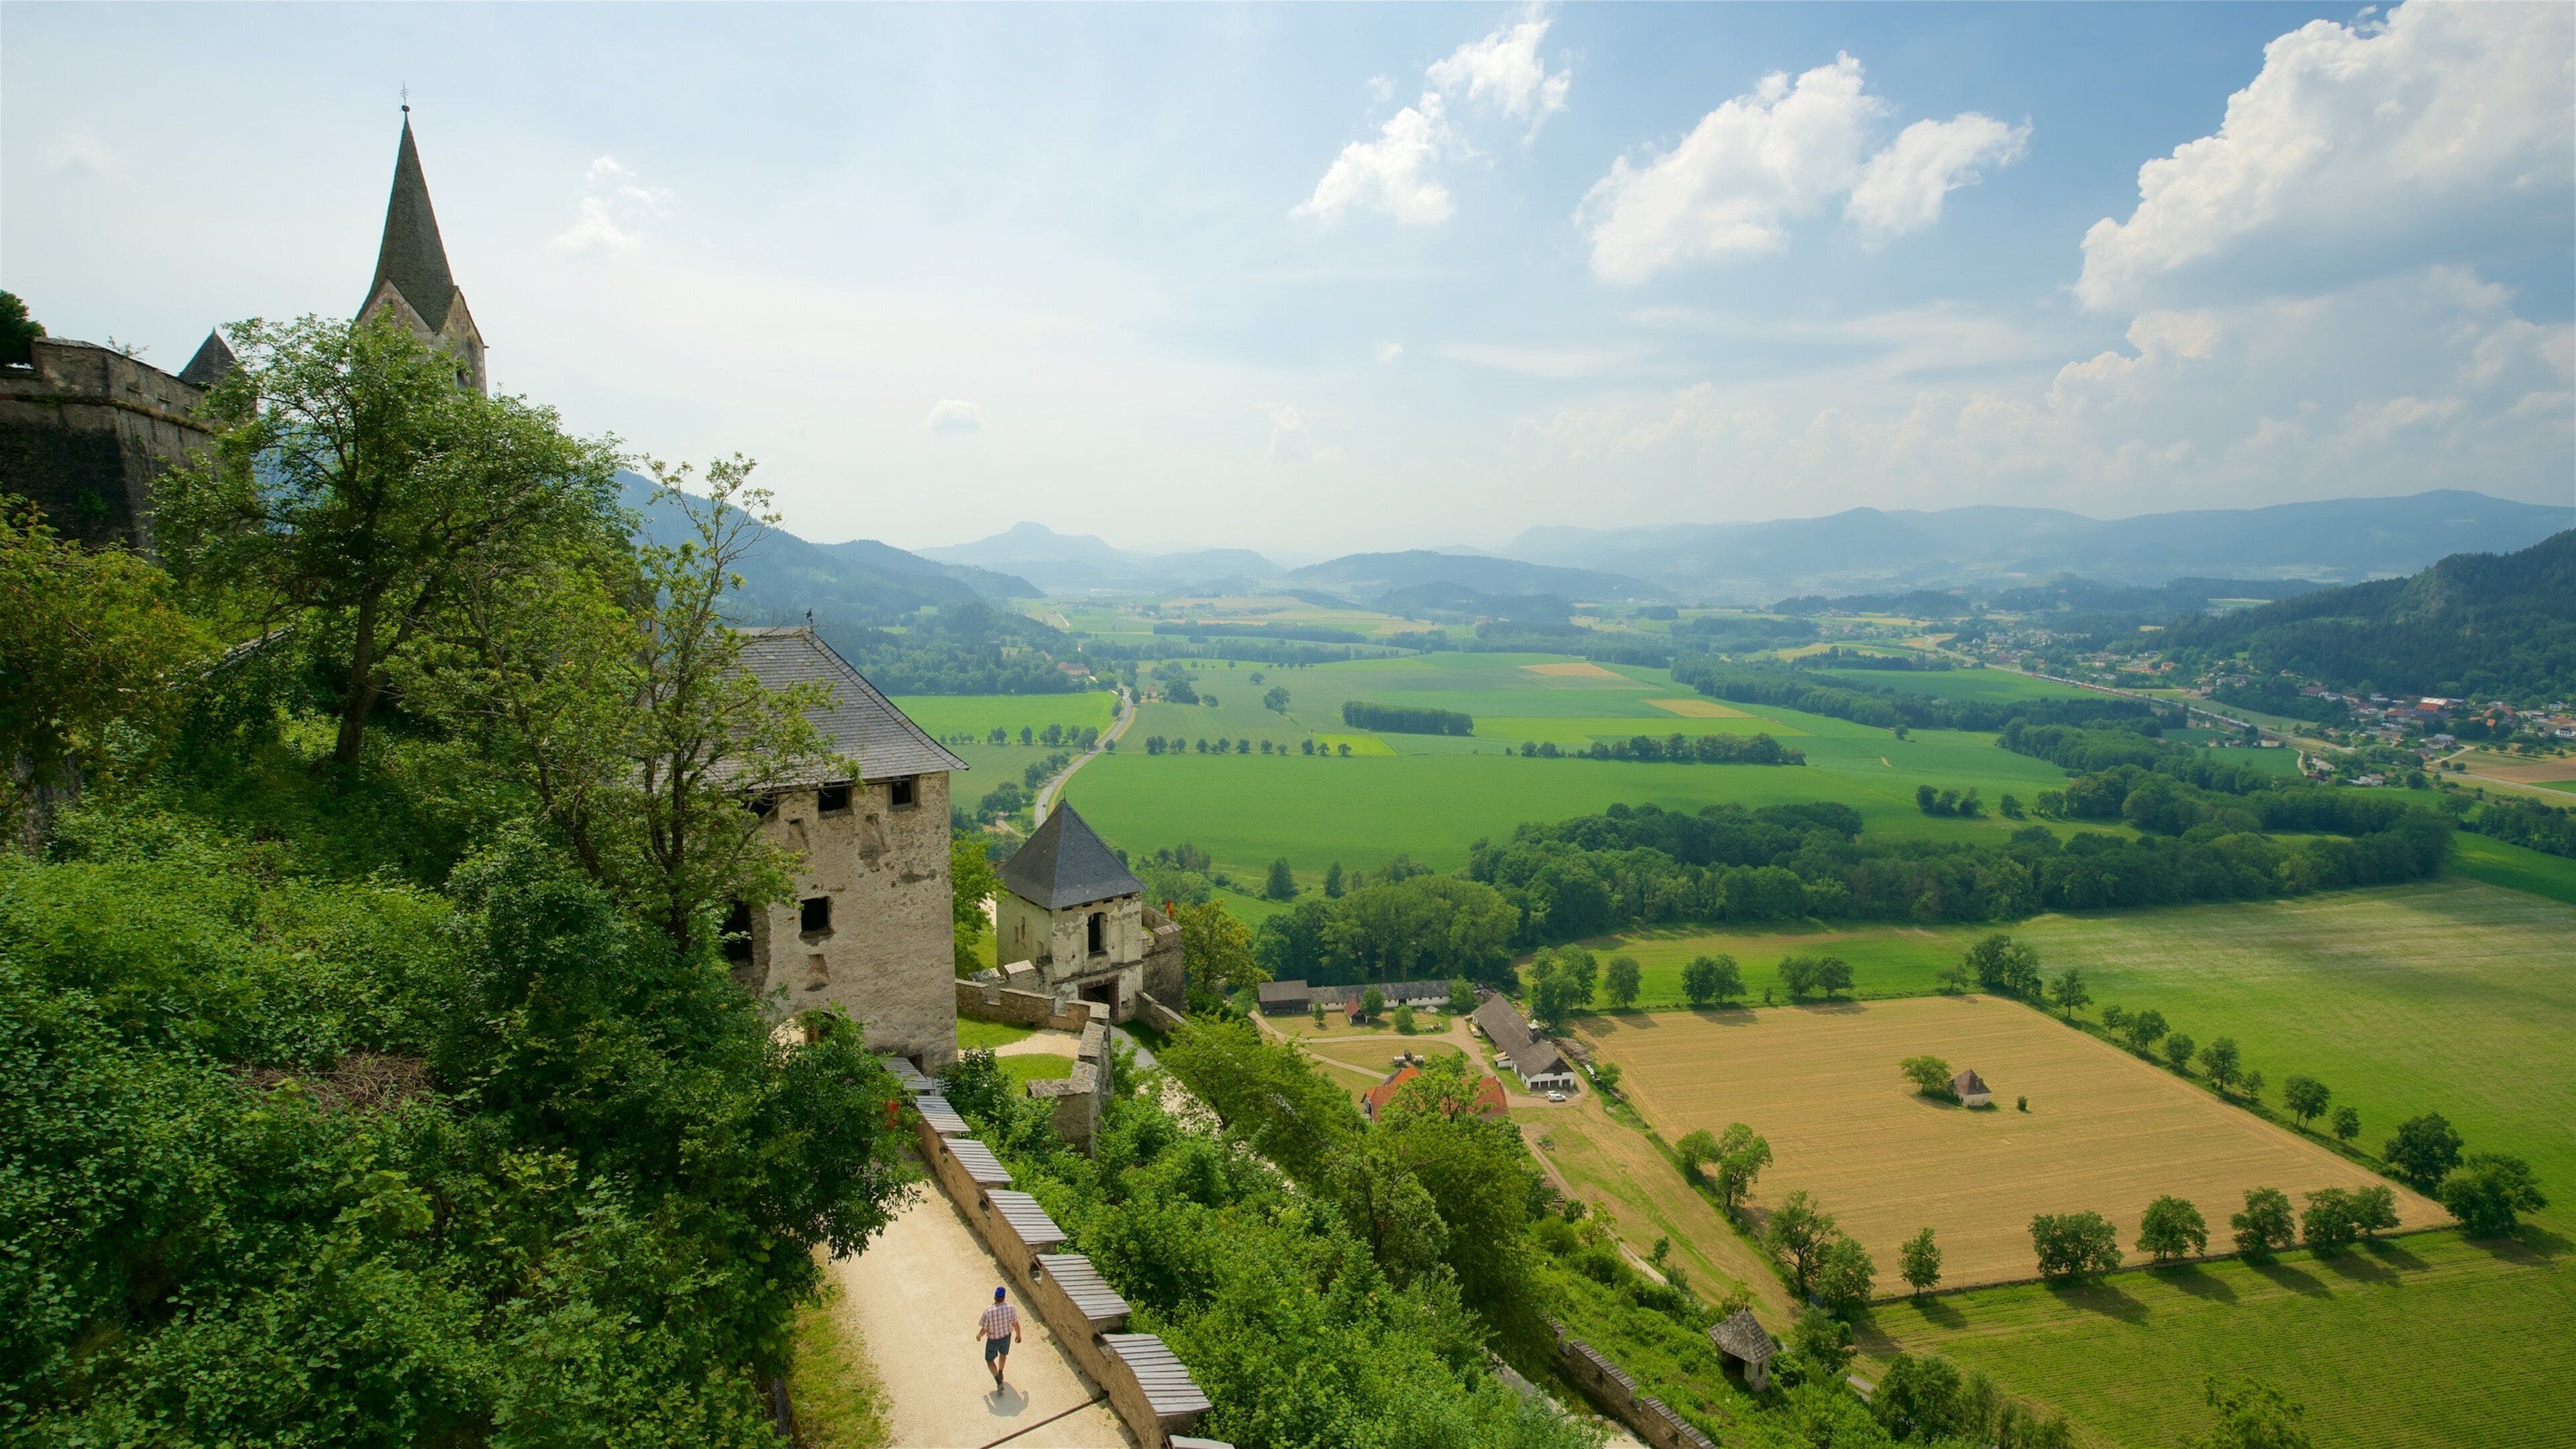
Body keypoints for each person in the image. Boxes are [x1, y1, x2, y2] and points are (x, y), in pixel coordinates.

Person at [977, 1284, 1023, 1388]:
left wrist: (979, 1336)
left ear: (995, 1297)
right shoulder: (1011, 1308)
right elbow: (1015, 1323)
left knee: (989, 1360)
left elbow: (984, 1329)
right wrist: (1018, 1335)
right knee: (1003, 1354)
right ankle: (1001, 1372)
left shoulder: (988, 1312)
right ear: (1004, 1298)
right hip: (1006, 1337)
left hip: (993, 1339)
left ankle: (998, 1380)